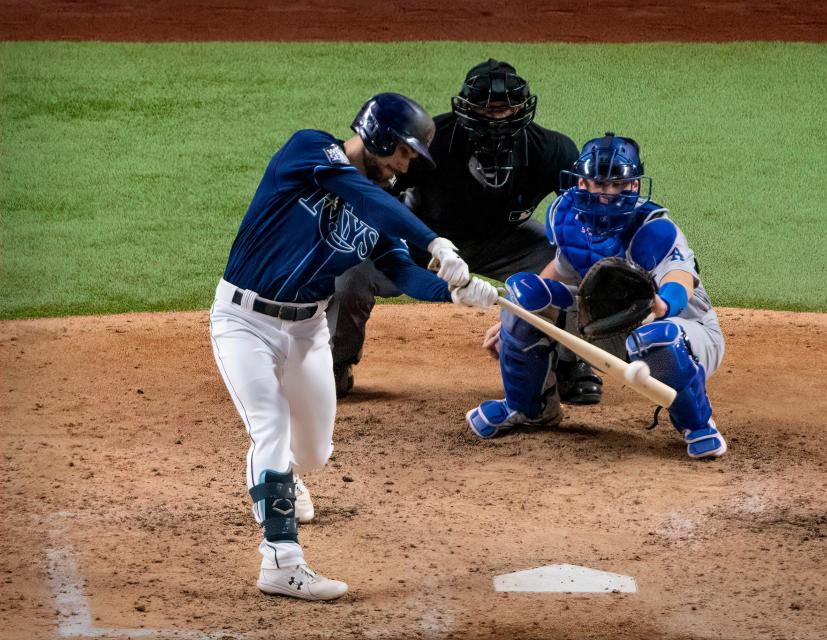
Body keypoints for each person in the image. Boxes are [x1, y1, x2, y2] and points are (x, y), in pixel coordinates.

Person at [209, 93, 497, 601]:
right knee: (270, 426)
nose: (406, 166)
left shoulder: (380, 203)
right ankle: (281, 562)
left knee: (314, 453)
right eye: (403, 153)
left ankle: (285, 478)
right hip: (243, 322)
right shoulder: (309, 149)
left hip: (307, 330)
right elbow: (355, 191)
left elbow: (401, 270)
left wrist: (453, 290)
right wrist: (435, 241)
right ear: (380, 135)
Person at [328, 59, 603, 405]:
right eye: (486, 109)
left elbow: (585, 217)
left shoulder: (552, 150)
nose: (496, 118)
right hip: (424, 239)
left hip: (507, 239)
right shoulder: (434, 142)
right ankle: (336, 361)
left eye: (505, 109)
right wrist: (413, 243)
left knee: (575, 266)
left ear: (522, 108)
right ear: (465, 109)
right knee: (352, 269)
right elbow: (378, 198)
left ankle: (568, 362)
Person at [467, 133, 728, 459]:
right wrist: (516, 320)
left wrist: (663, 304)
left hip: (687, 331)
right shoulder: (569, 218)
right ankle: (529, 408)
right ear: (581, 182)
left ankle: (697, 424)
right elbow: (561, 269)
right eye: (596, 183)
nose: (604, 193)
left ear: (632, 186)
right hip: (605, 328)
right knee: (524, 295)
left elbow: (679, 279)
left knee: (657, 338)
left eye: (615, 185)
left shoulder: (652, 229)